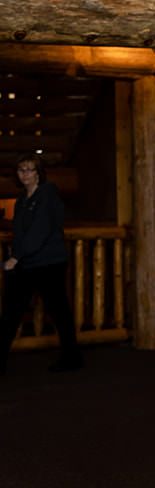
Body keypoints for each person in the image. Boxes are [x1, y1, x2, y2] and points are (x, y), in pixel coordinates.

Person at [0, 156, 82, 373]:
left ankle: (72, 358)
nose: (25, 173)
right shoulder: (21, 200)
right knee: (11, 312)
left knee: (58, 312)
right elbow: (21, 232)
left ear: (38, 173)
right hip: (27, 263)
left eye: (29, 169)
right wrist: (16, 253)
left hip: (49, 263)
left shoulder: (47, 194)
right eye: (21, 169)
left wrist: (16, 257)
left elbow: (40, 230)